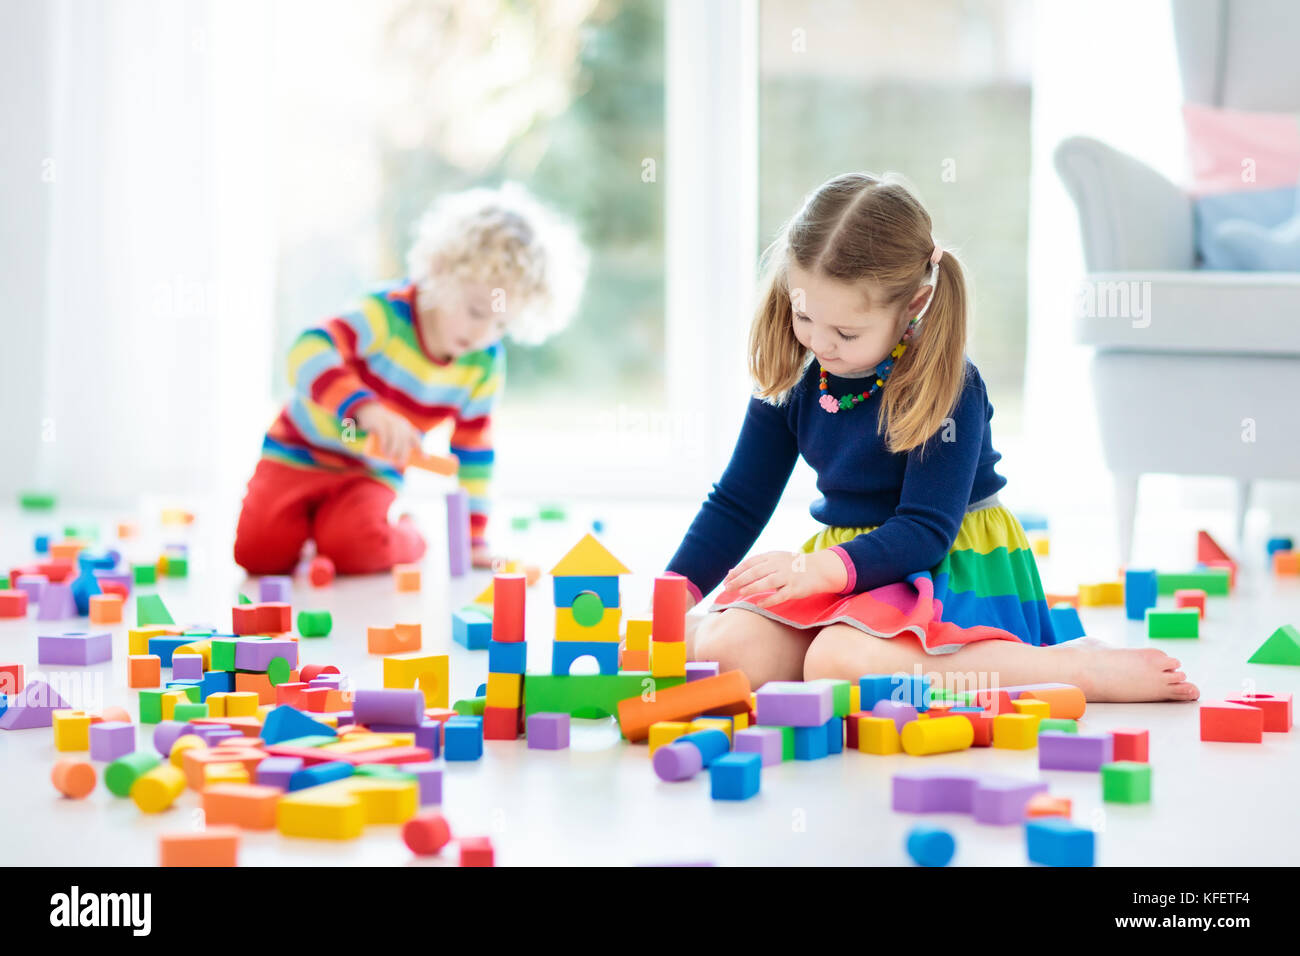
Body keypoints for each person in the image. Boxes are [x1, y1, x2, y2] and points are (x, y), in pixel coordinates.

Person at [665, 171, 1198, 703]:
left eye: (847, 332)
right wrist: (672, 598)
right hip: (848, 565)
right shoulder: (798, 377)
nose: (819, 344)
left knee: (838, 663)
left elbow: (925, 529)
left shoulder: (949, 384)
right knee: (729, 651)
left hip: (942, 564)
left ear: (914, 305)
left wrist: (820, 569)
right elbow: (738, 502)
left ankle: (1071, 667)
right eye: (803, 315)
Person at [234, 182, 588, 576]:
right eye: (475, 312)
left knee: (359, 548)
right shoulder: (385, 315)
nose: (483, 334)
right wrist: (364, 410)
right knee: (258, 554)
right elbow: (307, 351)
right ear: (441, 271)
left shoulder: (483, 364)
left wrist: (473, 540)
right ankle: (309, 530)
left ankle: (410, 534)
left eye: (501, 324)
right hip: (297, 450)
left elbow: (474, 454)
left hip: (369, 472)